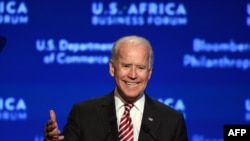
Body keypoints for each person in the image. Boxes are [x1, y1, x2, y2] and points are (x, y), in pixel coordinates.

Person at [44, 35, 188, 141]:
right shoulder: (83, 114)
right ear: (112, 68)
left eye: (141, 68)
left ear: (149, 73)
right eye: (126, 66)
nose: (133, 75)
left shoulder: (172, 121)